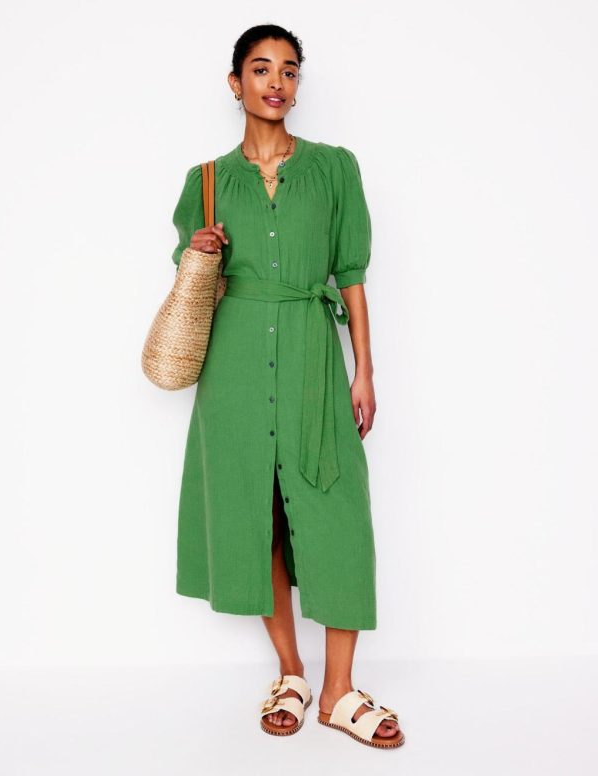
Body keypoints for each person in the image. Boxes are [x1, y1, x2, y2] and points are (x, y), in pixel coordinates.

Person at [170, 24, 404, 748]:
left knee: (336, 510)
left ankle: (339, 691)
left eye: (290, 70)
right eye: (261, 68)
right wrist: (198, 249)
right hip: (235, 364)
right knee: (258, 513)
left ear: (298, 86)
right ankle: (293, 674)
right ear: (235, 82)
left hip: (311, 354)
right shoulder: (206, 180)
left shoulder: (334, 168)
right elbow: (189, 271)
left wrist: (364, 369)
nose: (277, 82)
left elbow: (351, 273)